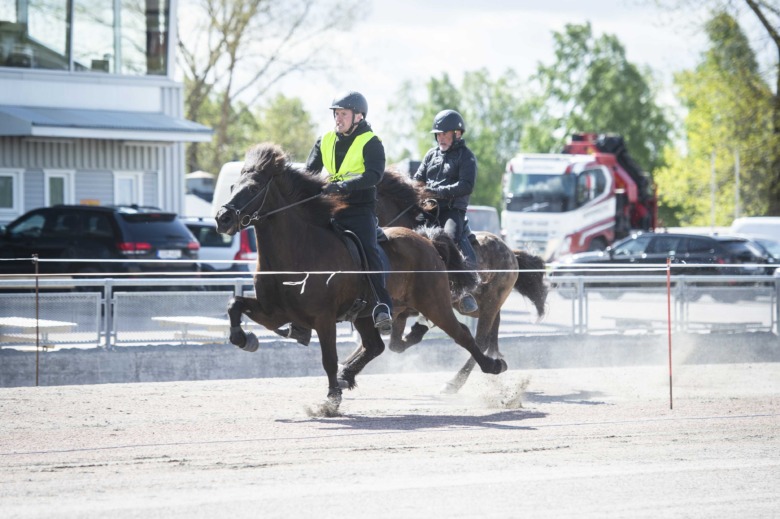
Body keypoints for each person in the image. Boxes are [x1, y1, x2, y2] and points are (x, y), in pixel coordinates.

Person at [276, 91, 393, 344]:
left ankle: (383, 305)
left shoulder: (372, 142)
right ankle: (300, 321)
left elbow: (374, 175)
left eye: (343, 114)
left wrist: (343, 186)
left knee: (369, 249)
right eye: (336, 114)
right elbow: (309, 174)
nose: (338, 119)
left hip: (359, 209)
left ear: (358, 117)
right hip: (331, 208)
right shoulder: (325, 140)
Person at [413, 109, 479, 315]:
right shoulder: (431, 155)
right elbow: (418, 179)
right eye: (438, 134)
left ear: (457, 133)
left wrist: (437, 192)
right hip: (428, 208)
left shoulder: (467, 157)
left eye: (444, 133)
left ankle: (464, 288)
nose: (440, 137)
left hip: (452, 211)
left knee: (449, 238)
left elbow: (466, 186)